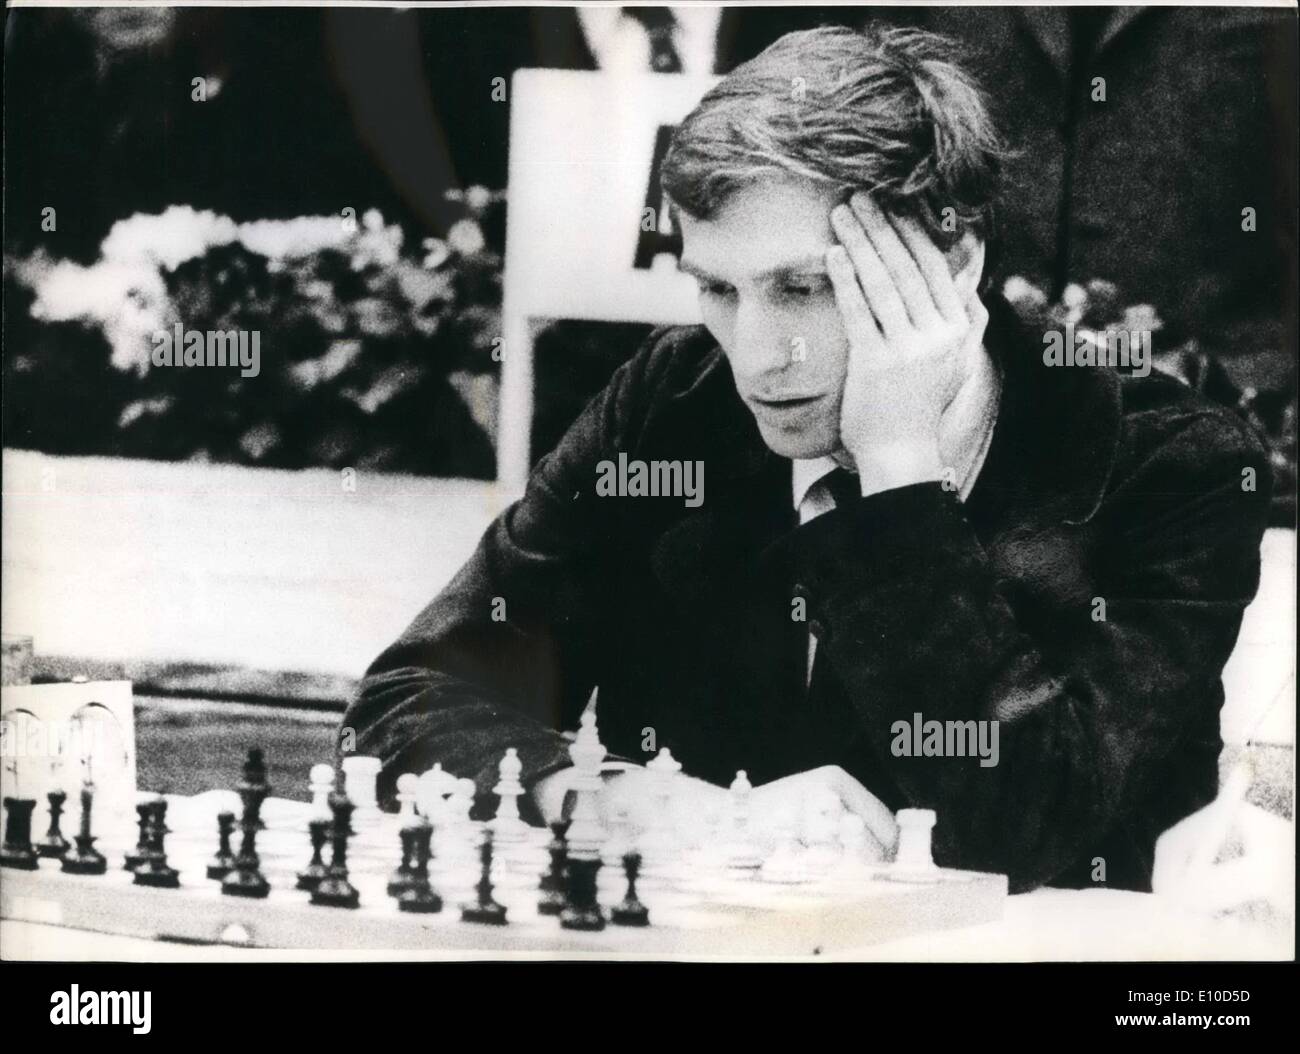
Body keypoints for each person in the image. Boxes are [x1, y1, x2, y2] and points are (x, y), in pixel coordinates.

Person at [342, 26, 1270, 893]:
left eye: (804, 288)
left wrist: (900, 479)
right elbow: (408, 698)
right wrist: (638, 805)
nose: (754, 355)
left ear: (957, 260)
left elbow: (1029, 831)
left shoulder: (1166, 469)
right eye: (717, 289)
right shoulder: (677, 402)